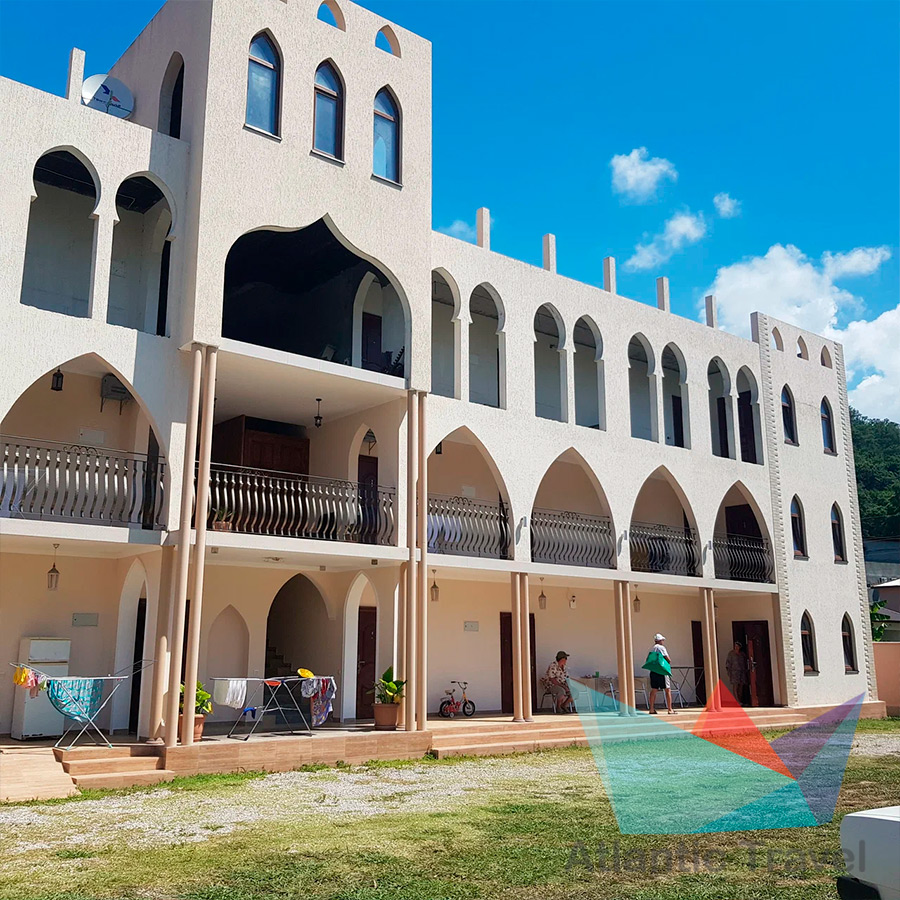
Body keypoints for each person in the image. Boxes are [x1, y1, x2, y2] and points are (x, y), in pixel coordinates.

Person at [646, 633, 675, 715]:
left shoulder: (652, 649)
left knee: (654, 690)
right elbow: (668, 659)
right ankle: (670, 709)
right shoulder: (661, 648)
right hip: (662, 671)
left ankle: (651, 709)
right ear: (660, 640)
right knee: (667, 690)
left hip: (653, 671)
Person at [725, 641, 750, 706]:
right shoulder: (731, 654)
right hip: (734, 672)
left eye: (737, 646)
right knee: (735, 686)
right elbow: (728, 664)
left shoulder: (742, 654)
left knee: (741, 686)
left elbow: (745, 662)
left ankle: (740, 699)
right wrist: (729, 672)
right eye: (735, 646)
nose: (736, 647)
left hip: (742, 672)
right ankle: (736, 700)